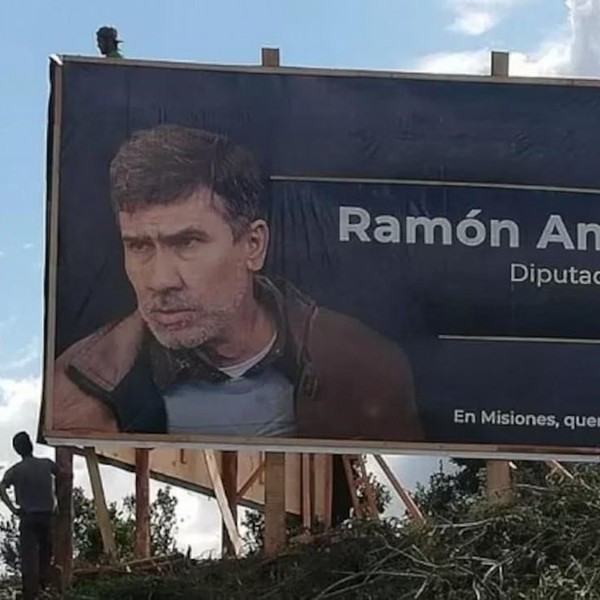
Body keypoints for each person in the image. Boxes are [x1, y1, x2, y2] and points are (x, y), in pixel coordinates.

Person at [50, 124, 423, 442]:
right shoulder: (78, 387)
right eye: (139, 246)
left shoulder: (364, 364)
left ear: (253, 245)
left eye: (187, 242)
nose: (161, 280)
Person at [0, 432, 58, 600]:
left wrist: (13, 508)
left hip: (28, 516)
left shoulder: (16, 470)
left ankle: (31, 593)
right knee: (46, 552)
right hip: (47, 515)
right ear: (31, 445)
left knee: (29, 557)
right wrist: (57, 500)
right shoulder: (46, 464)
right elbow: (63, 474)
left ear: (17, 450)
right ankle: (43, 586)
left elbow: (1, 488)